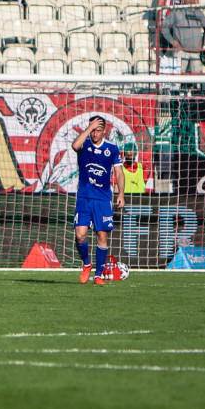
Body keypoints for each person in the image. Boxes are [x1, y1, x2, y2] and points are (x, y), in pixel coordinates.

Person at [71, 115, 124, 286]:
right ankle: (87, 264)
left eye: (98, 130)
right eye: (93, 130)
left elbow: (119, 172)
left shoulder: (112, 149)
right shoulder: (84, 144)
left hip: (102, 199)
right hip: (84, 197)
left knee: (101, 235)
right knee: (80, 235)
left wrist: (121, 193)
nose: (95, 133)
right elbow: (74, 145)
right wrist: (88, 128)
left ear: (105, 131)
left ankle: (99, 275)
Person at [160, 0, 205, 73]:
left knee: (197, 79)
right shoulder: (176, 12)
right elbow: (163, 26)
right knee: (178, 79)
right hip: (180, 52)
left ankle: (196, 87)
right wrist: (172, 41)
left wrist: (203, 42)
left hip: (195, 52)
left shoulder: (199, 12)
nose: (191, 1)